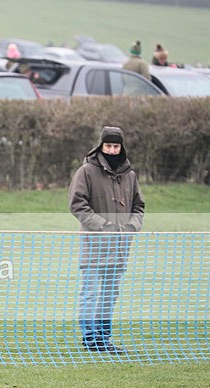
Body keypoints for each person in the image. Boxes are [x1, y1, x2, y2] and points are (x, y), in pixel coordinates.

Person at [68, 126, 145, 354]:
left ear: (121, 147)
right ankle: (90, 338)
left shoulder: (130, 176)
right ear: (101, 146)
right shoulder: (86, 172)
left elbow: (138, 206)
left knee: (110, 294)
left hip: (120, 247)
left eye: (116, 146)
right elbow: (77, 204)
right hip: (94, 245)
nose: (112, 150)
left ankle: (103, 338)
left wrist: (131, 227)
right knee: (90, 292)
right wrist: (103, 227)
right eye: (108, 145)